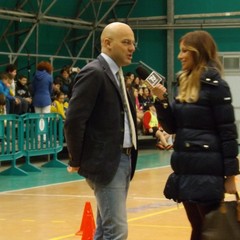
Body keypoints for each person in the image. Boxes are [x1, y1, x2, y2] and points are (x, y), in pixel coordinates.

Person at [151, 30, 239, 240]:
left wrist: (230, 177)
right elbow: (172, 127)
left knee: (209, 230)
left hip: (207, 171)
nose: (180, 56)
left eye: (184, 51)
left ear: (198, 52)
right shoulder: (185, 82)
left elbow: (228, 133)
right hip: (186, 170)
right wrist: (162, 101)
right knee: (199, 229)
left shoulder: (217, 87)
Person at [64, 22, 138, 240]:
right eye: (126, 42)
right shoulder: (94, 73)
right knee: (117, 231)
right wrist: (75, 159)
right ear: (107, 43)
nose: (131, 48)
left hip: (123, 160)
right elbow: (74, 121)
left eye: (133, 43)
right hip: (106, 162)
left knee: (106, 230)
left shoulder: (117, 74)